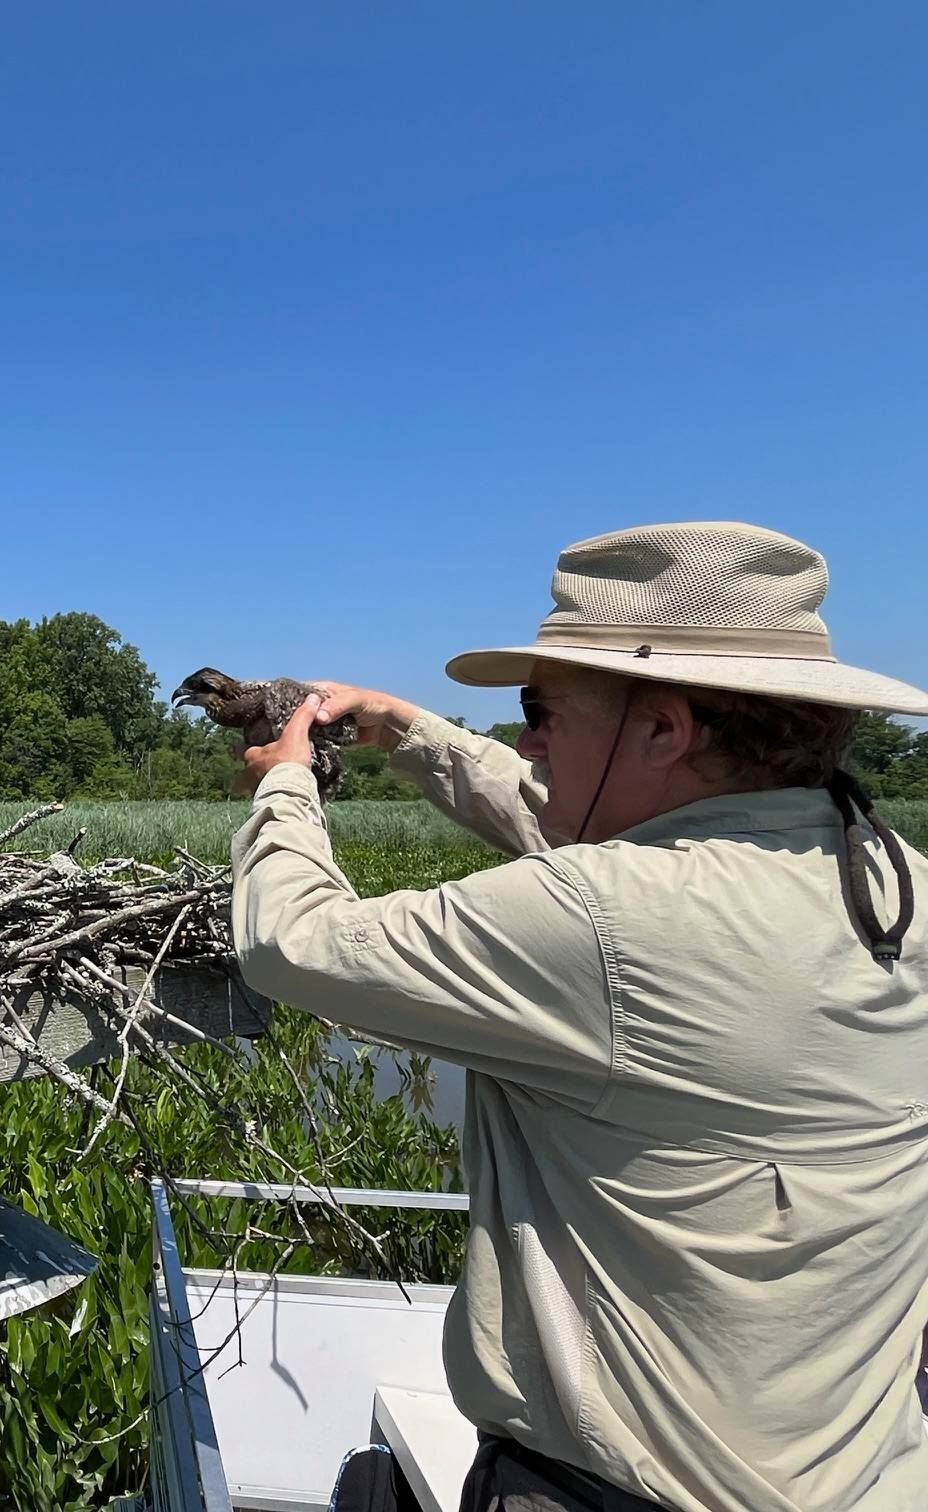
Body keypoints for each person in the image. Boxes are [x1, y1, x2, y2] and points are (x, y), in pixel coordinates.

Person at [229, 522, 928, 1511]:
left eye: (541, 710)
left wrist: (289, 784)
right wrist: (408, 733)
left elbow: (292, 942)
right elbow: (588, 828)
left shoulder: (610, 922)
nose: (527, 741)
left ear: (664, 730)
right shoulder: (890, 882)